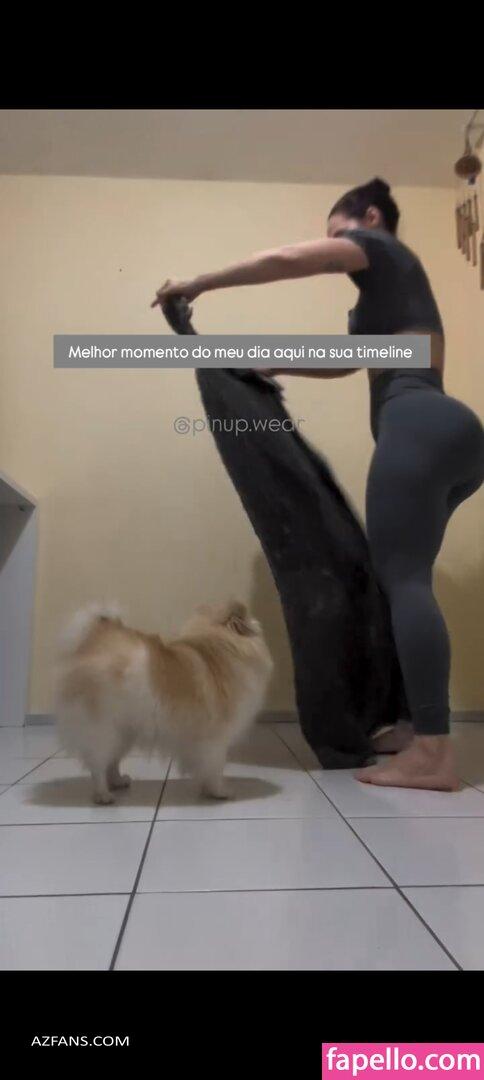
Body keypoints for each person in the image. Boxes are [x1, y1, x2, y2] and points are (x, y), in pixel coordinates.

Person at [151, 178, 484, 792]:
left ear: (372, 218)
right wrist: (275, 362)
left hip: (414, 421)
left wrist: (199, 283)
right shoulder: (387, 300)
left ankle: (434, 754)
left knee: (405, 582)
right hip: (453, 436)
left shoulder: (382, 250)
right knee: (401, 582)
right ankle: (415, 728)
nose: (333, 246)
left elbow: (286, 259)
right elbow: (349, 359)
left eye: (338, 232)